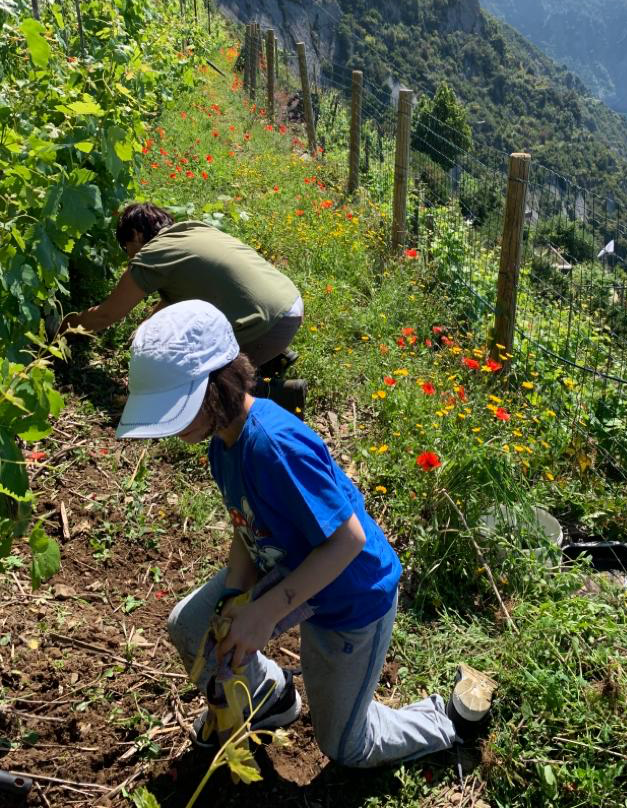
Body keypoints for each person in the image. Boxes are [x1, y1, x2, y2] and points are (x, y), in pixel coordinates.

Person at [116, 300, 495, 768]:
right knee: (194, 626)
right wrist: (236, 598)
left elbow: (348, 540)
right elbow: (246, 528)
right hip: (294, 569)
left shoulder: (275, 446)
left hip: (350, 597)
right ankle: (271, 698)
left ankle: (447, 719)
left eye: (177, 408)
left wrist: (264, 612)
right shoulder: (222, 444)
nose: (169, 428)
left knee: (346, 746)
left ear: (216, 388)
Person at [62, 202, 306, 408]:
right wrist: (146, 325)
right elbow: (175, 297)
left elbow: (106, 315)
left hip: (268, 327)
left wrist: (65, 325)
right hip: (288, 304)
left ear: (136, 235)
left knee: (189, 389)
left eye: (127, 249)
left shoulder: (153, 254)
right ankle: (272, 358)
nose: (130, 257)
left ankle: (281, 394)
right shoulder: (193, 231)